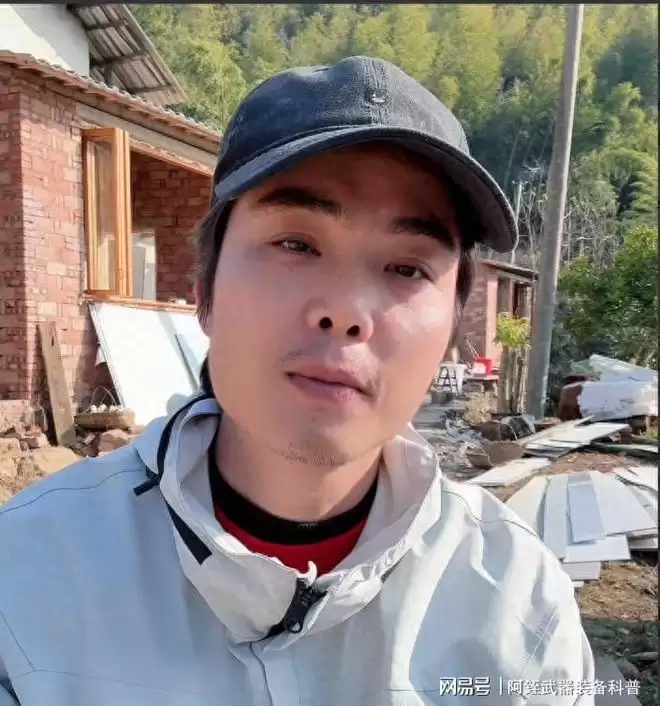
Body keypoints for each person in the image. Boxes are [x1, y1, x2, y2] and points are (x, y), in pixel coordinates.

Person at [0, 56, 595, 705]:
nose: (346, 311)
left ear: (453, 325)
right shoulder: (28, 577)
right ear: (204, 293)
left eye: (407, 268)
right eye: (296, 244)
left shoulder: (517, 606)